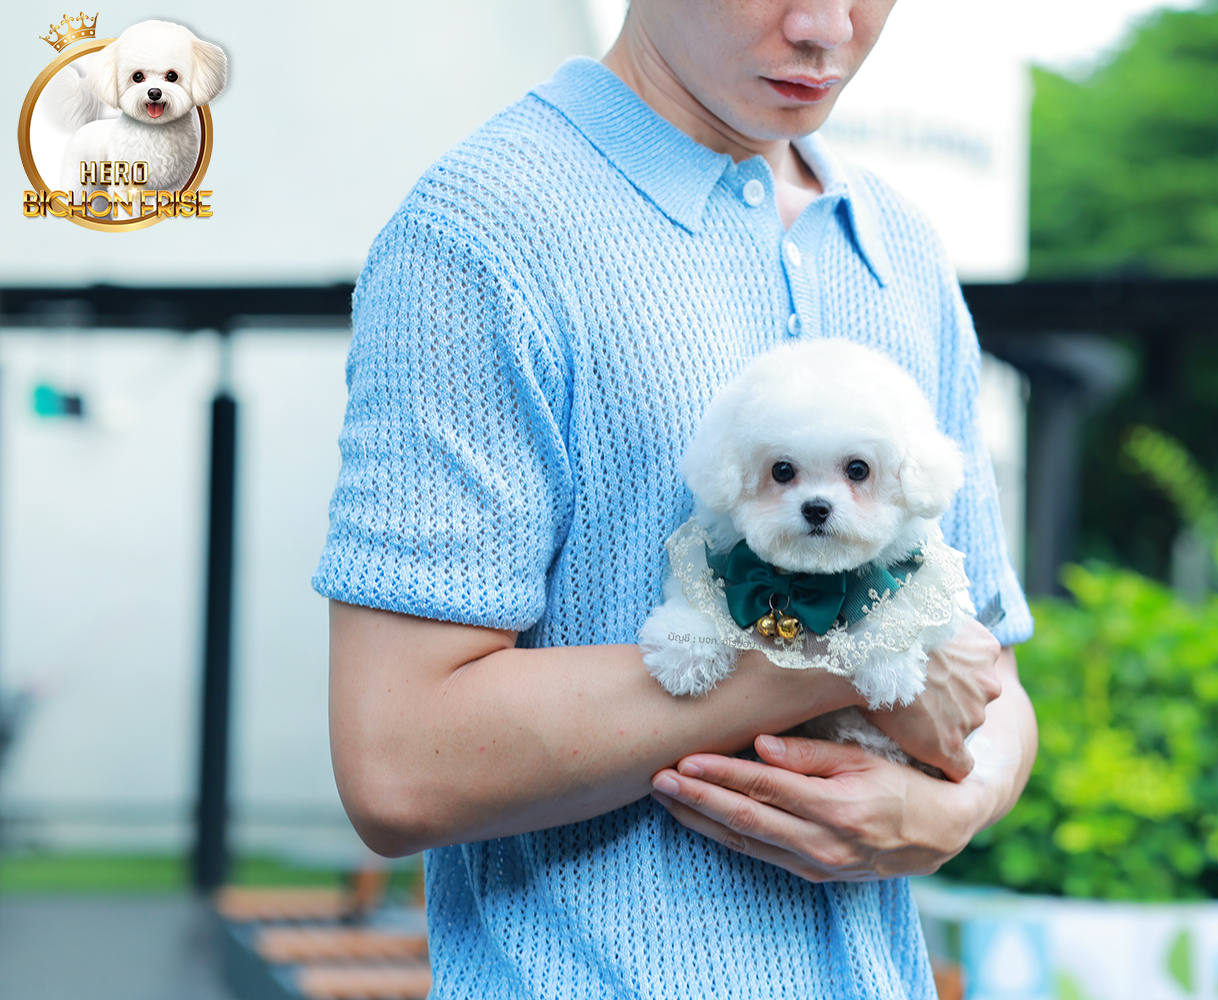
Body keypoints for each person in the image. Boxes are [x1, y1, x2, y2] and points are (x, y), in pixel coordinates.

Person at [316, 1, 1038, 996]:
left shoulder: (901, 248)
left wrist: (957, 808)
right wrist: (845, 647)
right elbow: (399, 761)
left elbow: (988, 668)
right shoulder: (479, 231)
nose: (827, 26)